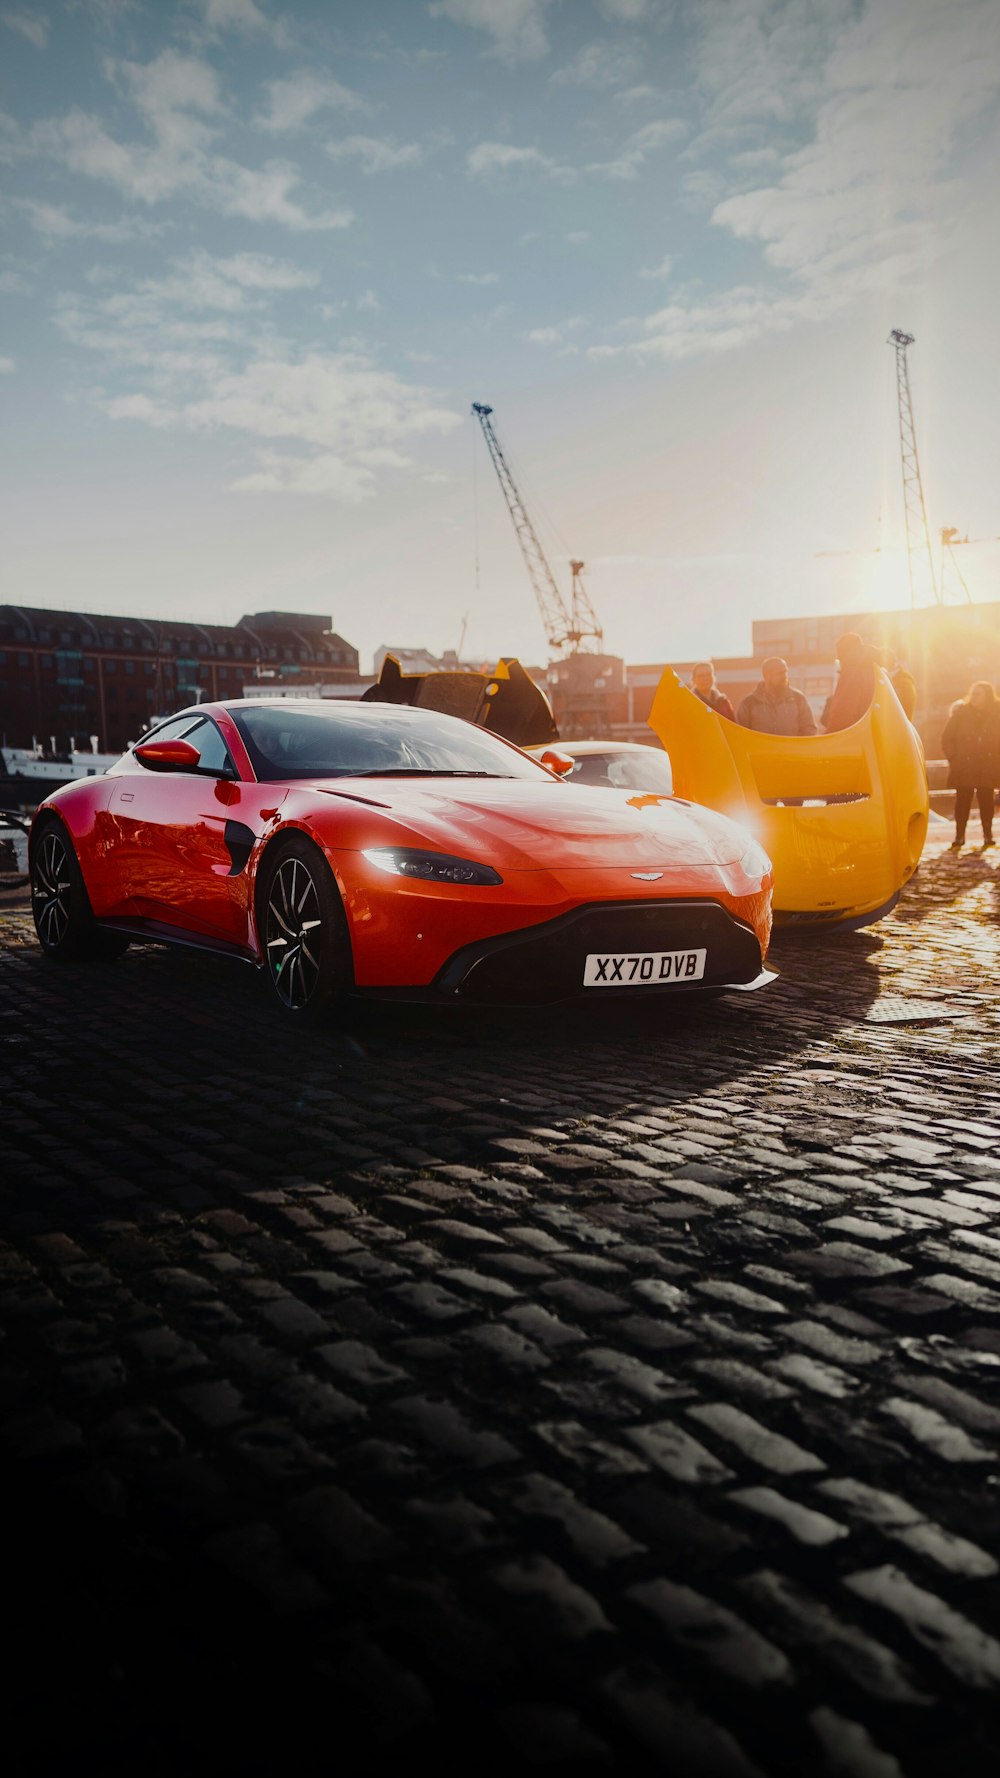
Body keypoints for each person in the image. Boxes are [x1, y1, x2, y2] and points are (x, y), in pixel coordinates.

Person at [941, 681, 1000, 850]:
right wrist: (954, 758)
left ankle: (988, 835)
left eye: (978, 694)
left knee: (986, 801)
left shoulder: (997, 712)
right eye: (972, 693)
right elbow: (947, 738)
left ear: (987, 695)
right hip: (964, 765)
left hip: (987, 764)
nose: (973, 697)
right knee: (962, 802)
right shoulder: (961, 713)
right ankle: (959, 836)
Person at [736, 658, 816, 736]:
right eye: (780, 673)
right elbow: (740, 734)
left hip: (791, 749)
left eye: (785, 672)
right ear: (767, 676)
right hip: (760, 749)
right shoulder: (749, 703)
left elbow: (809, 729)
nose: (784, 676)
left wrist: (797, 748)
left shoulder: (798, 699)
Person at [821, 632, 879, 732]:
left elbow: (843, 714)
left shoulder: (852, 673)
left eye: (839, 655)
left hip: (856, 739)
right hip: (873, 735)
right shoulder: (876, 670)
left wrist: (828, 738)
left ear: (843, 653)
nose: (838, 659)